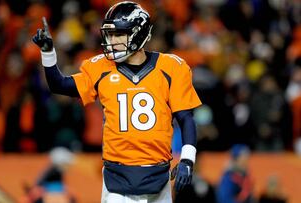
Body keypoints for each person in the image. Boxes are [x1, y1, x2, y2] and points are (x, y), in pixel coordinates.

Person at [32, 1, 202, 202]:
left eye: (119, 34)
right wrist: (48, 52)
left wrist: (188, 159)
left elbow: (186, 117)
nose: (112, 40)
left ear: (139, 34)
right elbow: (59, 85)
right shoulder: (101, 68)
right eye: (110, 34)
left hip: (158, 173)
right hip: (117, 176)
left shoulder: (171, 68)